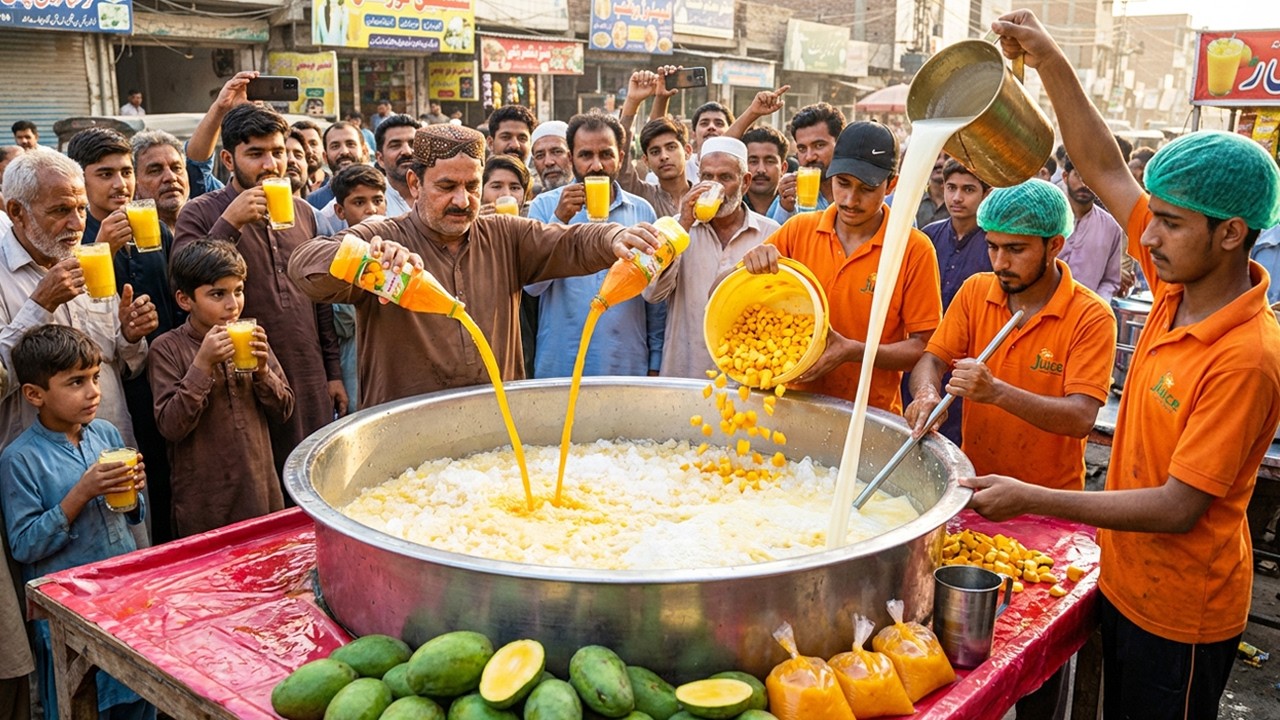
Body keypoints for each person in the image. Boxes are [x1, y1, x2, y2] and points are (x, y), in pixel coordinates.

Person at [965, 11, 1280, 718]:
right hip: (1121, 575)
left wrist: (1032, 497)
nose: (1149, 232)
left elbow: (1176, 507)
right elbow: (1103, 164)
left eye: (1169, 222)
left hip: (1182, 616)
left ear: (1230, 233)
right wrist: (1047, 58)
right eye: (1154, 217)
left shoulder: (1247, 356)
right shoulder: (1178, 288)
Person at [287, 124, 665, 406]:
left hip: (496, 429)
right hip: (404, 431)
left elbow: (570, 242)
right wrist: (364, 259)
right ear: (415, 184)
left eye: (471, 186)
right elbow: (304, 266)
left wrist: (612, 236)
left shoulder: (505, 236)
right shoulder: (384, 238)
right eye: (446, 186)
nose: (462, 200)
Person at [907, 179, 1116, 493]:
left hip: (1047, 498)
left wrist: (996, 392)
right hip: (975, 483)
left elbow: (1080, 417)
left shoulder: (1091, 315)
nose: (1000, 263)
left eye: (1016, 249)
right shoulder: (976, 290)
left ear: (1055, 245)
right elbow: (932, 360)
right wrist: (926, 393)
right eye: (993, 246)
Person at [173, 104, 345, 478]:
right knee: (263, 483)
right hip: (242, 379)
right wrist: (230, 222)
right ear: (228, 159)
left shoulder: (304, 213)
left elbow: (319, 300)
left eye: (278, 152)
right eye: (255, 154)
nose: (270, 165)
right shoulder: (200, 213)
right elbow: (183, 282)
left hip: (307, 372)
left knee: (316, 477)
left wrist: (332, 373)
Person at [0, 325, 155, 720]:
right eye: (75, 382)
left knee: (140, 696)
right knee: (82, 703)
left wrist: (134, 491)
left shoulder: (104, 434)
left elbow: (128, 515)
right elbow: (24, 545)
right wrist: (80, 494)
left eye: (95, 378)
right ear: (35, 394)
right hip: (69, 615)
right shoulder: (19, 459)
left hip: (123, 598)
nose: (92, 392)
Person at [742, 121, 942, 413]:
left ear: (892, 184)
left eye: (866, 189)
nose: (850, 200)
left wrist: (853, 351)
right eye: (843, 183)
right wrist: (752, 264)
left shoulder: (913, 249)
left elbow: (924, 347)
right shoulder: (798, 230)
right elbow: (728, 294)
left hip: (868, 413)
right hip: (788, 406)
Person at [0, 149, 157, 448]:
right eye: (60, 211)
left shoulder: (89, 260)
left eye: (82, 209)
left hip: (112, 450)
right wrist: (40, 305)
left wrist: (130, 335)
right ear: (16, 212)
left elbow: (124, 365)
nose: (77, 225)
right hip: (40, 475)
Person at [68, 127, 180, 542]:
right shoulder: (73, 238)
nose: (121, 185)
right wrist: (102, 246)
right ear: (80, 179)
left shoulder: (150, 225)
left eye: (126, 172)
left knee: (170, 477)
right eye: (105, 174)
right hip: (114, 389)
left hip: (163, 378)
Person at [149, 240, 293, 538]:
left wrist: (263, 372)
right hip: (205, 503)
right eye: (217, 294)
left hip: (260, 491)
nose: (232, 304)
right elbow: (171, 426)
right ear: (184, 299)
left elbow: (285, 410)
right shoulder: (167, 349)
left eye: (238, 291)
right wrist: (202, 365)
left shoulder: (250, 335)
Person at [525, 112, 665, 379]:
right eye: (586, 155)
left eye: (606, 155)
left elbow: (655, 300)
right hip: (561, 363)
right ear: (571, 159)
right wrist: (559, 221)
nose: (596, 165)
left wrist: (655, 359)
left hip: (626, 362)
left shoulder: (642, 211)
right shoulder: (545, 207)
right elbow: (532, 287)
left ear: (621, 158)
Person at [645, 137, 779, 378]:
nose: (714, 186)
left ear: (745, 182)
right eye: (707, 178)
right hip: (685, 373)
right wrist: (684, 223)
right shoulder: (673, 229)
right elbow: (652, 293)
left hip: (745, 377)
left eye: (725, 178)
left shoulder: (771, 233)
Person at [915, 159, 993, 444]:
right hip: (924, 359)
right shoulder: (928, 237)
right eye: (951, 188)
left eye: (968, 189)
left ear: (986, 194)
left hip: (972, 361)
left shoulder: (994, 244)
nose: (957, 197)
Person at [328, 165, 388, 411]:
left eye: (377, 200)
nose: (371, 210)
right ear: (340, 211)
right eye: (359, 202)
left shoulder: (402, 248)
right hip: (356, 362)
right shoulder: (337, 255)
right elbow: (342, 321)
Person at [1058, 155, 1125, 302]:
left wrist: (1095, 306)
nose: (1084, 184)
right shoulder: (1048, 218)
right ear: (1065, 176)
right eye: (1078, 175)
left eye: (1091, 178)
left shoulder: (1111, 227)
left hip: (1087, 315)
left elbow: (1111, 281)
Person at [766, 103, 846, 225]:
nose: (809, 157)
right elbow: (773, 240)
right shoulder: (788, 198)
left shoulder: (858, 192)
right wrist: (786, 208)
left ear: (840, 144)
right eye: (802, 149)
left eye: (819, 145)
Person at [130, 131, 190, 233]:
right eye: (155, 171)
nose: (171, 177)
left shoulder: (209, 221)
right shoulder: (126, 238)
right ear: (134, 182)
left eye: (176, 168)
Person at [307, 121, 369, 210]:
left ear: (364, 151)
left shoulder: (386, 192)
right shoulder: (313, 203)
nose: (344, 151)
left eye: (350, 144)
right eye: (335, 146)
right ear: (325, 157)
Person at [373, 114, 420, 216]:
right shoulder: (365, 197)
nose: (407, 152)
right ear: (380, 159)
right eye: (395, 145)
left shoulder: (439, 193)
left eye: (414, 144)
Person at [742, 125, 788, 216]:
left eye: (769, 162)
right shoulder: (731, 207)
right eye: (753, 161)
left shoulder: (795, 206)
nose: (761, 170)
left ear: (783, 168)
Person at [529, 120, 572, 193]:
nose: (548, 162)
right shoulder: (534, 203)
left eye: (557, 152)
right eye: (540, 156)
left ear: (571, 156)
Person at [291, 119, 330, 194]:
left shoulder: (336, 188)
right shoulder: (284, 188)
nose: (309, 150)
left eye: (313, 143)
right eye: (303, 144)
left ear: (323, 147)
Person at [915, 153, 949, 228]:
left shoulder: (961, 202)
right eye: (936, 157)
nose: (940, 162)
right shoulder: (913, 200)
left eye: (947, 157)